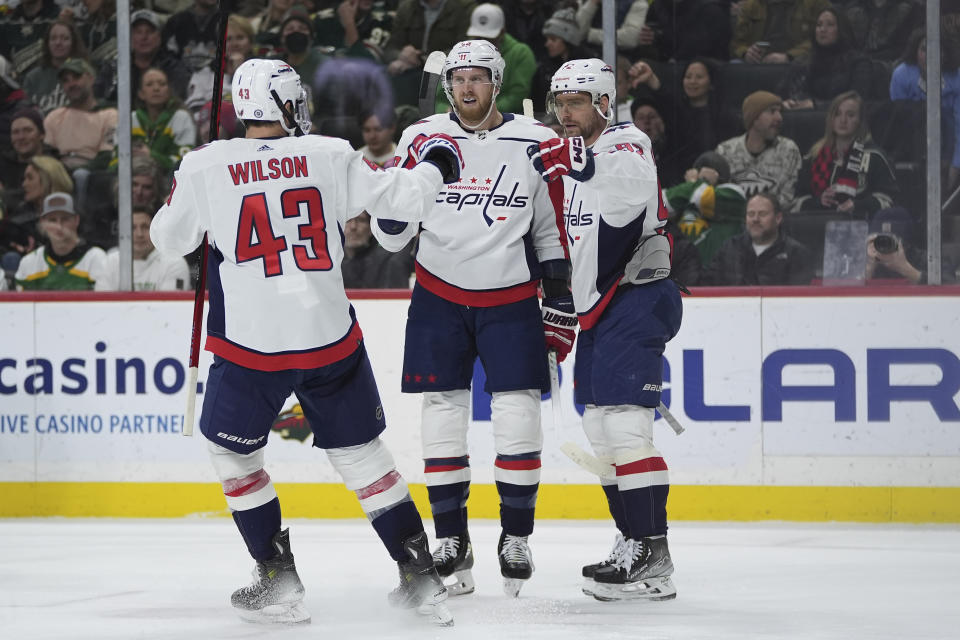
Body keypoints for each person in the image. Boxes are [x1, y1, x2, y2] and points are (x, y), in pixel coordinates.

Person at [149, 58, 463, 626]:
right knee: (365, 458)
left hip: (251, 349)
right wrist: (439, 165)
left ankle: (277, 577)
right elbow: (402, 200)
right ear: (289, 105)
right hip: (329, 339)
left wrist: (194, 193)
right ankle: (420, 575)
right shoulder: (330, 153)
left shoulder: (204, 165)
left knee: (233, 453)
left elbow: (169, 241)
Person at [371, 40, 567, 599]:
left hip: (510, 297)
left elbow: (549, 226)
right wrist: (398, 181)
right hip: (438, 294)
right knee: (442, 414)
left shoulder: (536, 141)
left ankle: (516, 535)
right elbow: (392, 236)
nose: (466, 88)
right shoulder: (422, 137)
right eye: (457, 79)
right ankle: (452, 537)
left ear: (497, 82)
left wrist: (558, 294)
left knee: (516, 413)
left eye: (477, 78)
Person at [527, 58, 683, 603]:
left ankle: (653, 552)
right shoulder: (575, 166)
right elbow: (580, 246)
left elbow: (621, 183)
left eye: (574, 103)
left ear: (601, 103)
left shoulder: (626, 142)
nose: (564, 114)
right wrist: (562, 306)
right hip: (600, 309)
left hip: (638, 298)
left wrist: (563, 155)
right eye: (559, 104)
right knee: (599, 429)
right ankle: (633, 541)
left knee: (624, 428)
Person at [794, 91, 897, 216]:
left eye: (850, 115)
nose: (843, 120)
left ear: (860, 120)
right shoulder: (814, 157)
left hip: (861, 224)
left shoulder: (875, 156)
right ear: (831, 119)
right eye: (837, 114)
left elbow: (888, 201)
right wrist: (819, 201)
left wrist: (857, 205)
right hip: (820, 225)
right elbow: (796, 202)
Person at [436, 4, 536, 115]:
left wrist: (480, 111)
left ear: (502, 33)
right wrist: (447, 111)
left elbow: (517, 96)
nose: (482, 42)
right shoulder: (459, 54)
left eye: (489, 38)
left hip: (506, 121)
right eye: (478, 37)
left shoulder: (521, 54)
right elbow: (439, 98)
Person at [701, 191, 813, 285]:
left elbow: (797, 301)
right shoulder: (729, 248)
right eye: (750, 214)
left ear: (778, 218)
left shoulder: (796, 253)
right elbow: (707, 285)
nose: (755, 219)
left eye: (762, 214)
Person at [715, 90, 802, 209]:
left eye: (780, 112)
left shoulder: (788, 150)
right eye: (772, 111)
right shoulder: (725, 151)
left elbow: (787, 198)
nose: (779, 117)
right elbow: (721, 197)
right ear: (754, 118)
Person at [779, 7, 873, 111]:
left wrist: (816, 105)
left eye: (830, 25)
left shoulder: (859, 62)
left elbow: (857, 102)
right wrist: (784, 103)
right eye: (819, 25)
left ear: (842, 29)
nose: (822, 29)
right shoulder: (803, 61)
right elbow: (781, 94)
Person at [665, 150, 747, 266]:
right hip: (684, 271)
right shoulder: (688, 194)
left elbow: (704, 198)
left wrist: (696, 182)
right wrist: (695, 184)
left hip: (718, 273)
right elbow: (661, 205)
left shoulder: (735, 196)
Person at [95, 10, 192, 103]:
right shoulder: (115, 67)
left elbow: (176, 100)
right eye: (138, 32)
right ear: (130, 37)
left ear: (159, 37)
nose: (144, 37)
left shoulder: (173, 67)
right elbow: (98, 98)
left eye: (149, 31)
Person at [14, 191, 106, 290]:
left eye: (65, 219)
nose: (59, 226)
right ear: (42, 223)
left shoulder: (95, 258)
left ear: (76, 220)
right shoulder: (29, 262)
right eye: (52, 220)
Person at [43, 57, 117, 172]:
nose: (71, 84)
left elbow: (107, 156)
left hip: (93, 175)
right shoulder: (54, 117)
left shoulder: (110, 114)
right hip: (60, 175)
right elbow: (46, 154)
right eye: (65, 80)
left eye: (76, 77)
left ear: (91, 79)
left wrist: (76, 171)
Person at [92, 207, 189, 290]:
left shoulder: (174, 262)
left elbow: (168, 308)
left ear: (155, 230)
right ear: (122, 232)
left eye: (145, 227)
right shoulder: (109, 262)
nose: (139, 234)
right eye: (132, 228)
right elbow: (103, 307)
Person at [131, 67, 198, 171]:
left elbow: (184, 162)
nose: (156, 88)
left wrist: (150, 155)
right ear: (141, 93)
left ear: (168, 91)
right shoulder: (130, 119)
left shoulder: (181, 118)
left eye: (162, 84)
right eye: (149, 84)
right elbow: (116, 162)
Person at [21, 19, 88, 115]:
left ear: (73, 43)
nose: (58, 43)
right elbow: (26, 115)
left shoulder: (85, 74)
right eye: (53, 38)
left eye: (65, 38)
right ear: (47, 43)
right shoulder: (33, 77)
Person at [731, 0, 830, 64]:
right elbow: (737, 43)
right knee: (735, 65)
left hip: (799, 60)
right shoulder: (750, 6)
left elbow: (821, 39)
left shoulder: (816, 4)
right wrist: (746, 53)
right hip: (758, 62)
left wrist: (789, 56)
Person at [531, 7, 587, 113]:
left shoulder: (586, 67)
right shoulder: (544, 67)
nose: (547, 44)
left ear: (568, 40)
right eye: (547, 39)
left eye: (553, 39)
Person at [640, 0, 731, 62]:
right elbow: (650, 35)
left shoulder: (712, 8)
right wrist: (652, 37)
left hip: (706, 70)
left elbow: (698, 46)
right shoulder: (658, 6)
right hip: (665, 67)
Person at [342, 211, 414, 288]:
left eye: (361, 220)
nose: (353, 226)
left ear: (371, 228)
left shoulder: (391, 258)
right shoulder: (333, 262)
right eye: (347, 220)